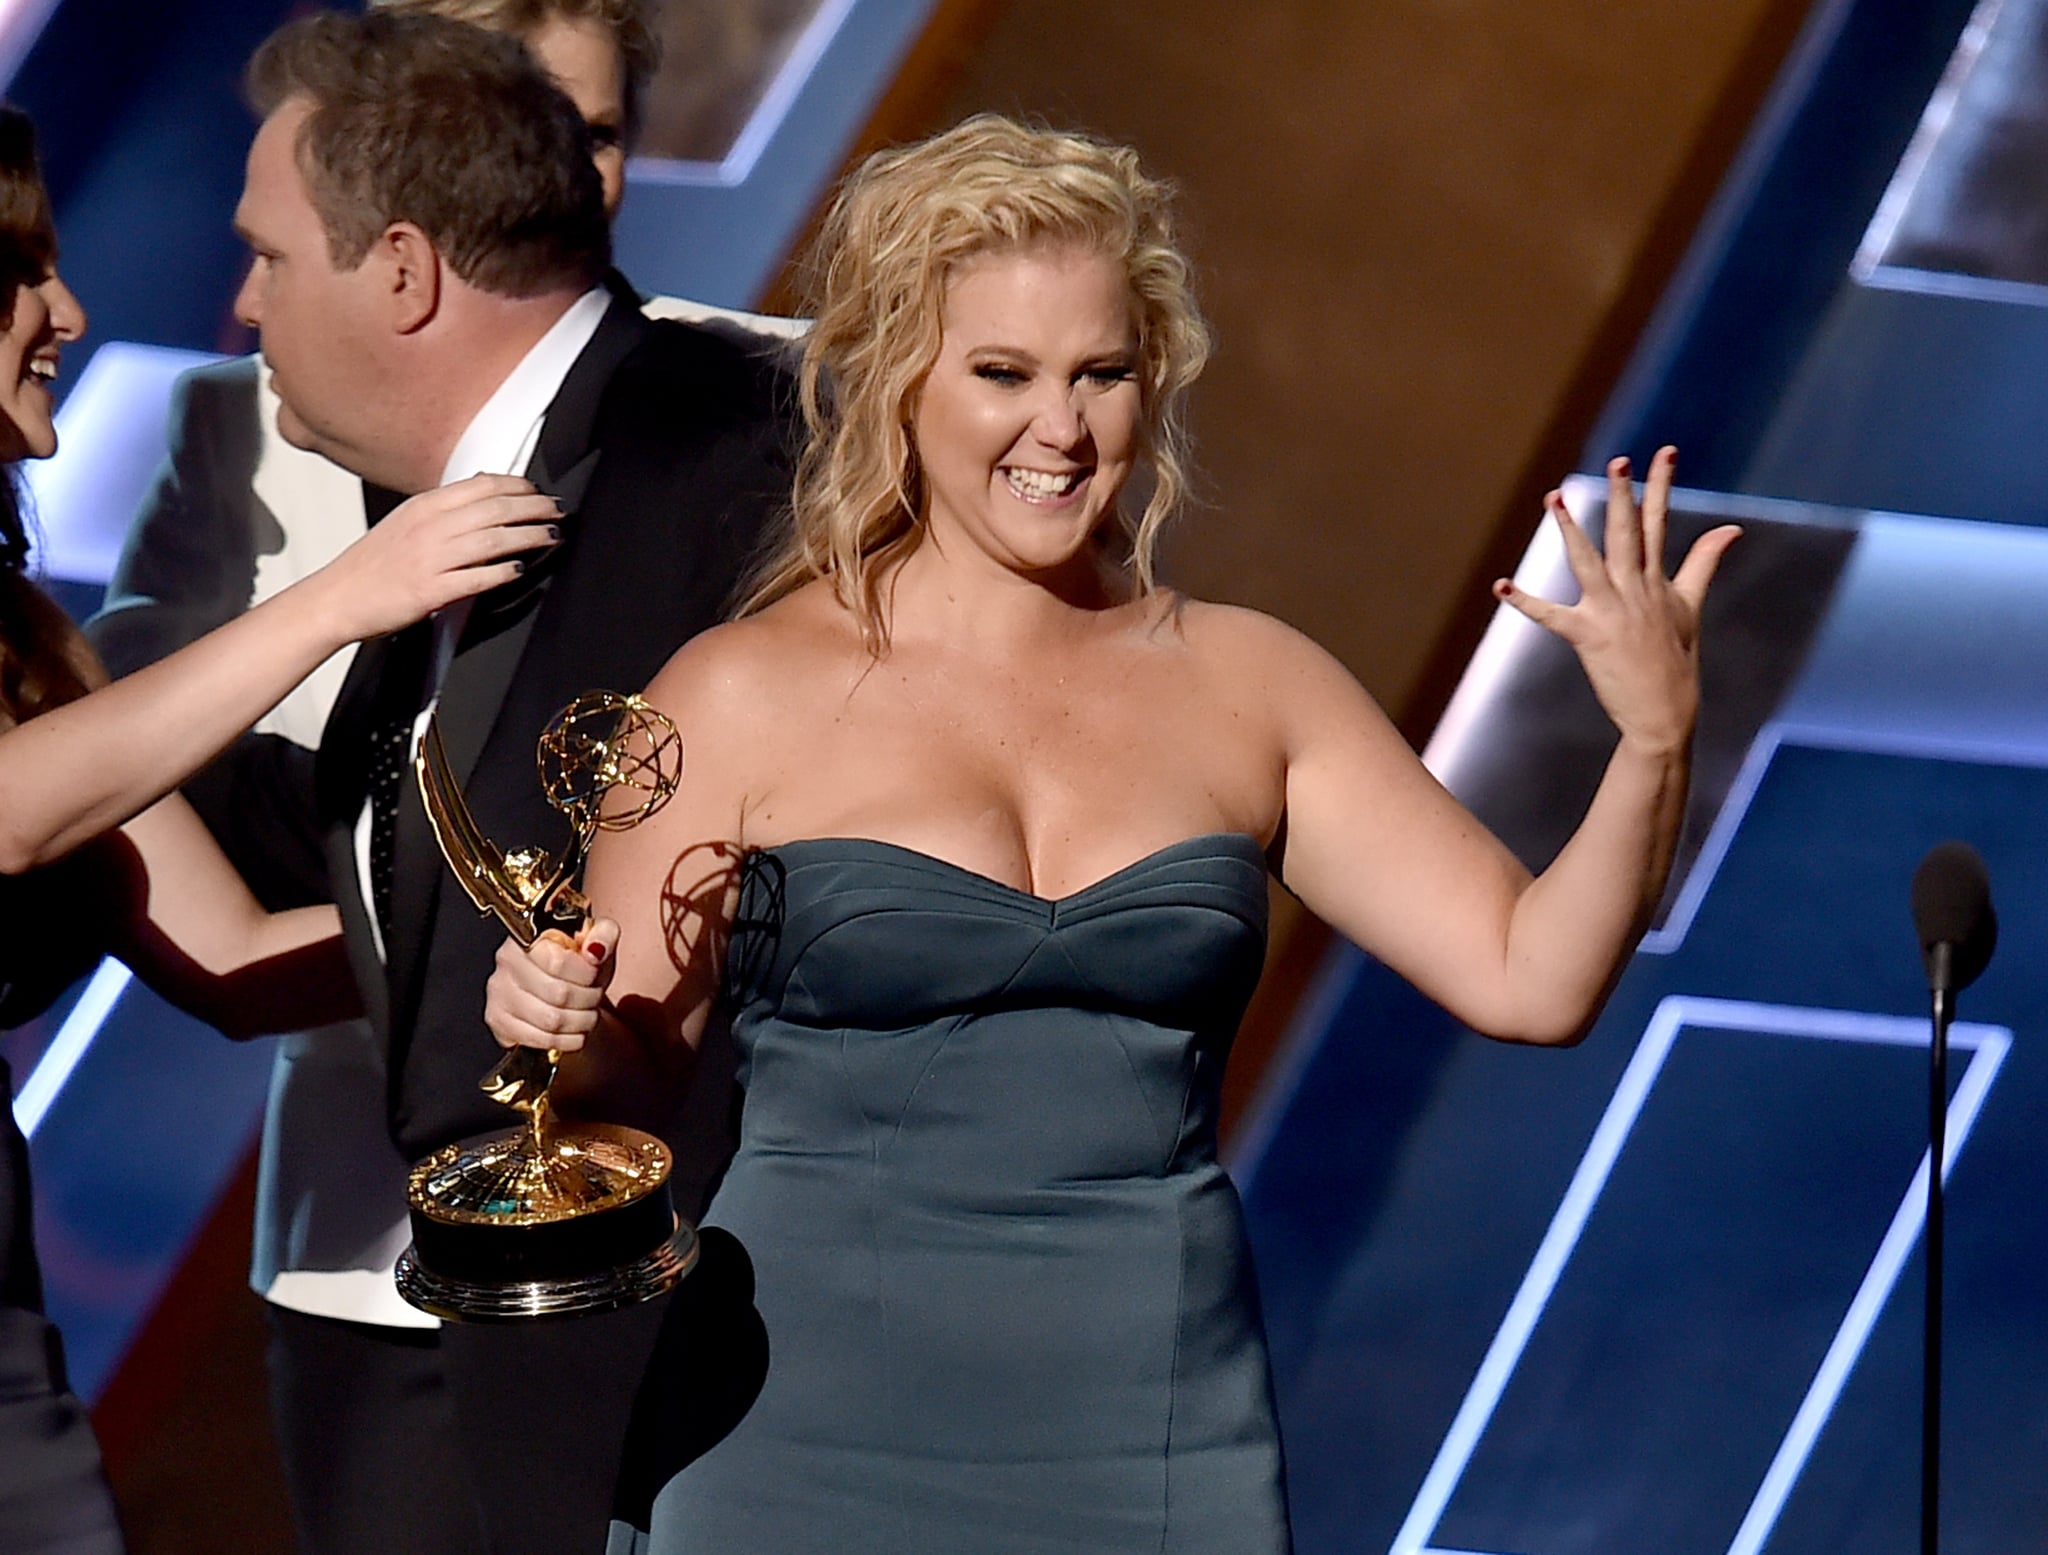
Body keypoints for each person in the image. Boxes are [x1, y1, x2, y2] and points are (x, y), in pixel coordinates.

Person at [484, 114, 1742, 1553]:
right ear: (899, 380)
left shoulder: (1252, 683)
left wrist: (1652, 742)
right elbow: (622, 1070)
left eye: (1103, 373)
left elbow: (1533, 975)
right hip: (797, 1426)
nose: (1061, 429)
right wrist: (552, 1023)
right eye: (1003, 374)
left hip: (1152, 1434)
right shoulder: (737, 690)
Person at [85, 9, 798, 1546]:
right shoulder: (454, 504)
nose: (243, 303)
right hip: (454, 1302)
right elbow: (350, 849)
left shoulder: (731, 446)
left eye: (271, 257)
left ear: (402, 269)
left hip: (689, 1336)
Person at [0, 104, 554, 1554]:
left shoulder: (22, 636)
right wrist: (343, 599)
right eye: (23, 272)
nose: (69, 310)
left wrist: (523, 911)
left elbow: (234, 958)